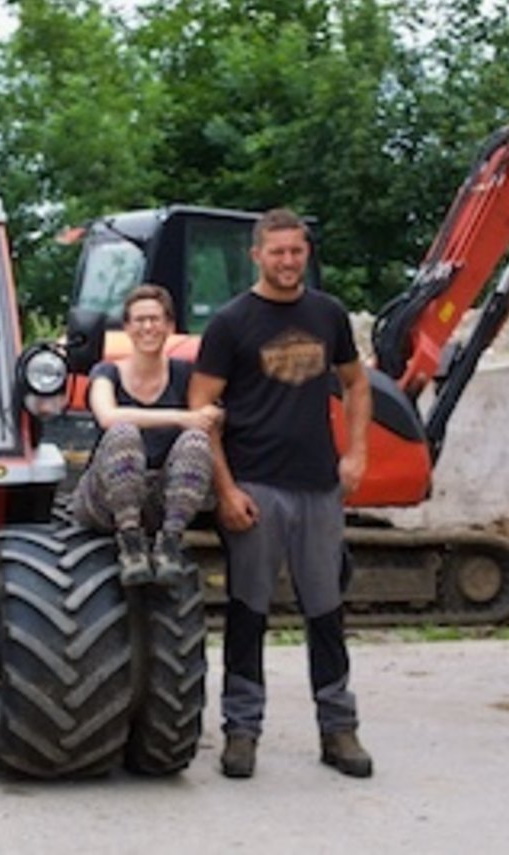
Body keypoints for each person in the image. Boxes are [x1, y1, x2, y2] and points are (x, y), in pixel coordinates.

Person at [189, 207, 373, 780]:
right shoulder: (230, 323)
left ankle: (338, 730)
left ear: (306, 253)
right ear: (257, 255)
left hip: (319, 487)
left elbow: (357, 383)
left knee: (326, 612)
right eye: (278, 252)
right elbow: (202, 414)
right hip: (256, 489)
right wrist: (224, 489)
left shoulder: (328, 314)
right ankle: (241, 733)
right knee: (248, 613)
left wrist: (358, 452)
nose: (288, 261)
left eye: (297, 251)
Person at [72, 284, 220, 586]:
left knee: (196, 440)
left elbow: (210, 415)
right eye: (140, 320)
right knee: (124, 432)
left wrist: (211, 414)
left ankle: (170, 543)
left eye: (155, 319)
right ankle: (131, 545)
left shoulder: (186, 374)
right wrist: (182, 417)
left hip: (162, 494)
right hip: (107, 496)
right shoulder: (106, 373)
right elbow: (108, 416)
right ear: (127, 327)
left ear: (169, 326)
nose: (148, 327)